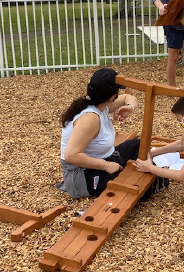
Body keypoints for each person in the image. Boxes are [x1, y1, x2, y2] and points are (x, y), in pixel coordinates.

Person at [56, 67, 169, 200]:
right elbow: (71, 156)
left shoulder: (100, 104)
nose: (119, 94)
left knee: (137, 144)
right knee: (139, 188)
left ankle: (151, 173)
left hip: (106, 157)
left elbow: (129, 97)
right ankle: (152, 176)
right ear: (111, 97)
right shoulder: (90, 118)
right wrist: (106, 165)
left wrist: (130, 107)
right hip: (81, 174)